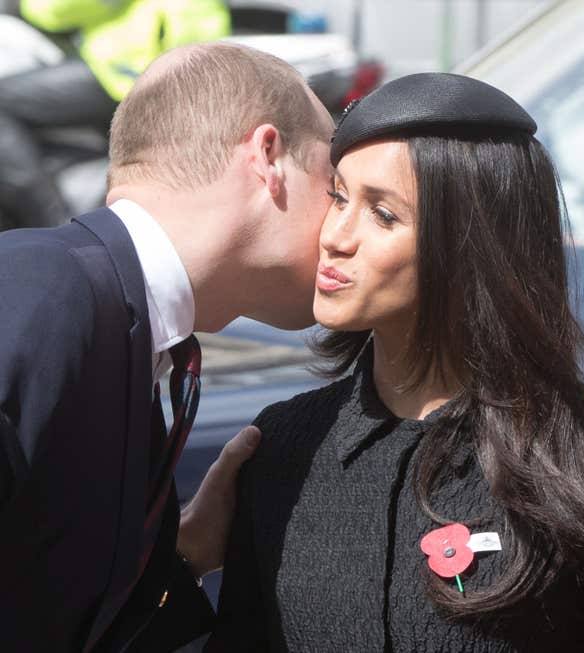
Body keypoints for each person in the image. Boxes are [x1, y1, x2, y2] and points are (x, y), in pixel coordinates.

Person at [212, 73, 584, 652]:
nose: (336, 237)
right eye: (338, 196)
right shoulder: (285, 446)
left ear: (472, 249)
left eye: (383, 215)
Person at [0, 42, 335, 652]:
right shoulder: (42, 290)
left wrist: (184, 557)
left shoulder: (126, 330)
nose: (347, 225)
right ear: (269, 157)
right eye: (336, 184)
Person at [0, 0, 231, 228]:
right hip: (175, 67)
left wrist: (23, 5)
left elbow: (54, 12)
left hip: (129, 70)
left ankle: (53, 222)